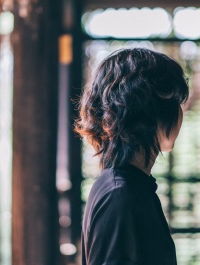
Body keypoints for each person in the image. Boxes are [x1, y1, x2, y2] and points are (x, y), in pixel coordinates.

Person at [75, 48, 189, 265]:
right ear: (152, 113)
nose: (180, 113)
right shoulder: (121, 195)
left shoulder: (126, 185)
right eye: (176, 103)